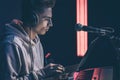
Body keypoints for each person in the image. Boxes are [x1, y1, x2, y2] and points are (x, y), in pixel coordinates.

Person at [0, 0, 65, 80]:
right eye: (46, 19)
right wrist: (43, 73)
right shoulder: (12, 44)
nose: (50, 24)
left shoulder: (36, 42)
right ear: (33, 18)